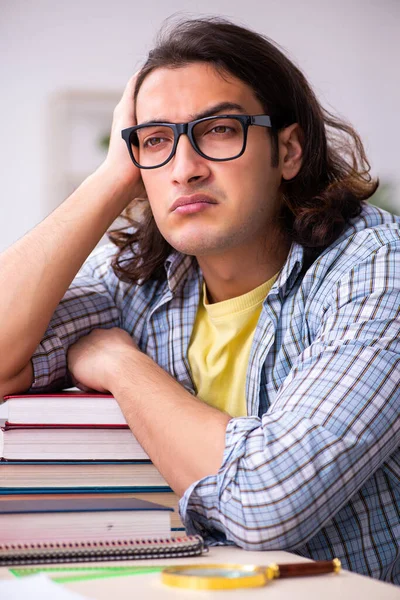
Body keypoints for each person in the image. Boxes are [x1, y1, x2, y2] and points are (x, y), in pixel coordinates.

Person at [0, 17, 399, 584]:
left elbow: (264, 507)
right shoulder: (141, 282)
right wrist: (113, 176)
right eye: (157, 139)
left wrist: (121, 366)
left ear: (287, 151)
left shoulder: (376, 270)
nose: (185, 169)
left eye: (217, 129)